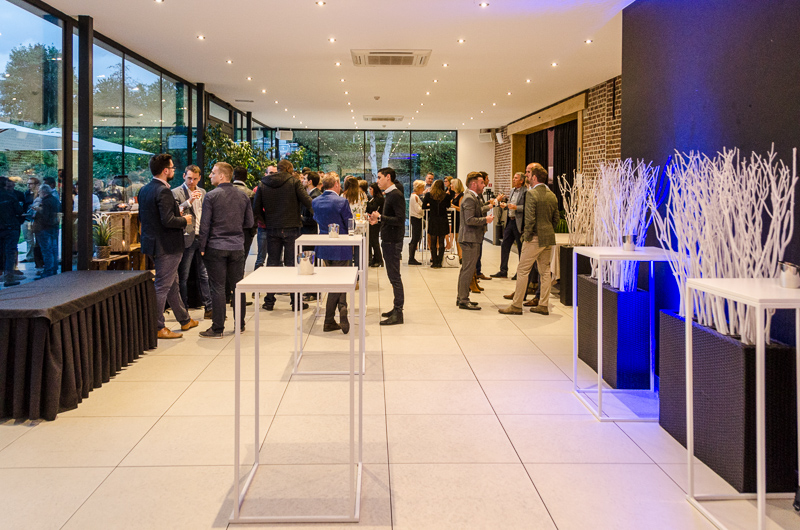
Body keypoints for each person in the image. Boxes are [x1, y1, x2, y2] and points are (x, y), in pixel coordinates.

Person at [138, 153, 198, 339]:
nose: (173, 170)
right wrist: (185, 220)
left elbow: (148, 218)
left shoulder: (145, 189)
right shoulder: (163, 191)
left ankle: (184, 319)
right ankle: (157, 327)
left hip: (152, 244)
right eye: (172, 168)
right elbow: (168, 220)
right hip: (167, 245)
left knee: (172, 284)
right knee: (163, 286)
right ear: (165, 171)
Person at [198, 162, 254, 338]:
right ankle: (240, 324)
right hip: (237, 246)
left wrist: (202, 247)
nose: (210, 175)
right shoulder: (243, 196)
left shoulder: (211, 196)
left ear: (222, 176)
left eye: (213, 173)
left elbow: (205, 225)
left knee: (218, 287)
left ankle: (217, 327)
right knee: (238, 286)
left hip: (216, 246)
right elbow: (249, 222)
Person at [498, 163, 560, 316]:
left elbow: (530, 219)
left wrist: (526, 236)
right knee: (545, 272)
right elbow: (556, 219)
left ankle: (516, 305)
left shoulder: (531, 194)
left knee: (522, 270)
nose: (527, 177)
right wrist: (547, 230)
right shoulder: (552, 195)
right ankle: (543, 305)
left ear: (534, 177)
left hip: (534, 238)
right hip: (548, 238)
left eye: (529, 174)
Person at [252, 159, 313, 311]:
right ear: (289, 169)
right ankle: (295, 301)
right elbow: (308, 202)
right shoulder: (294, 182)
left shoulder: (263, 184)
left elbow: (256, 208)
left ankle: (269, 300)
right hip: (292, 227)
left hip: (272, 228)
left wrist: (266, 221)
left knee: (272, 264)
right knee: (292, 264)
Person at [312, 174, 353, 333]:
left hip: (324, 246)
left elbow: (316, 219)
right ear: (336, 184)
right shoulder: (342, 202)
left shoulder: (316, 201)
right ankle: (330, 318)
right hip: (341, 245)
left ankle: (342, 308)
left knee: (335, 281)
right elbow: (349, 223)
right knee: (339, 282)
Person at [173, 165, 213, 319]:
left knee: (204, 274)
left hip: (201, 237)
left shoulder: (203, 192)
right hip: (186, 237)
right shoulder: (176, 192)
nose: (192, 181)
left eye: (195, 179)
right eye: (189, 178)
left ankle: (209, 308)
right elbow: (176, 211)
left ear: (199, 178)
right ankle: (184, 311)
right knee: (183, 276)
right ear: (184, 176)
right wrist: (189, 200)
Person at [369, 167, 404, 325]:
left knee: (395, 277)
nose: (377, 181)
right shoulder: (390, 194)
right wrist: (378, 219)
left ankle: (398, 311)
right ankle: (396, 308)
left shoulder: (396, 194)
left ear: (388, 177)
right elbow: (390, 217)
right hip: (389, 239)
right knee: (392, 276)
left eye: (379, 177)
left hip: (393, 241)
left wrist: (381, 217)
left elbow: (400, 220)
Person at [456, 172, 495, 310]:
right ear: (474, 184)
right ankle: (463, 300)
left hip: (472, 238)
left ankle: (461, 297)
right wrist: (486, 220)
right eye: (481, 183)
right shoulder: (469, 198)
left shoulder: (473, 196)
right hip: (469, 239)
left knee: (467, 269)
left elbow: (477, 210)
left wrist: (489, 207)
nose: (484, 185)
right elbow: (469, 220)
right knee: (468, 270)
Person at [492, 171, 526, 278]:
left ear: (521, 180)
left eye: (516, 178)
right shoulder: (512, 190)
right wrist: (505, 206)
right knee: (505, 245)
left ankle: (519, 272)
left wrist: (516, 208)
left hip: (519, 223)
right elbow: (511, 205)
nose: (513, 179)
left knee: (520, 248)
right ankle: (503, 271)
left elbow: (528, 207)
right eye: (513, 177)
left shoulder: (526, 192)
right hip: (510, 221)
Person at [421, 180, 452, 268]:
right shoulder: (446, 196)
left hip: (433, 219)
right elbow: (448, 206)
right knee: (441, 241)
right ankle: (439, 262)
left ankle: (434, 261)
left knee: (433, 241)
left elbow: (423, 206)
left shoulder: (429, 195)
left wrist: (430, 205)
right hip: (443, 219)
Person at [32, 184, 60, 279]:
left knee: (47, 250)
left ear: (43, 192)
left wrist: (38, 211)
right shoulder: (55, 200)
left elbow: (45, 216)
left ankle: (48, 271)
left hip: (44, 228)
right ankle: (54, 269)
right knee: (54, 249)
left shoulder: (45, 201)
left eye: (39, 191)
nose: (38, 193)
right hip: (54, 227)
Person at [0, 177, 23, 287]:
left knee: (2, 251)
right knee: (10, 252)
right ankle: (9, 276)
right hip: (11, 227)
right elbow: (19, 211)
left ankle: (3, 273)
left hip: (1, 227)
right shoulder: (10, 196)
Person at [253, 165, 277, 270]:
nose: (273, 176)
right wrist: (263, 221)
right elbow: (256, 208)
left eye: (275, 173)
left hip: (276, 227)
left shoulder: (279, 189)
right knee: (261, 258)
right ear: (265, 174)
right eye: (271, 173)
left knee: (276, 258)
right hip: (263, 226)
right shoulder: (258, 188)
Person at [232, 166, 257, 258]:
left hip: (228, 230)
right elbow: (254, 214)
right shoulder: (250, 193)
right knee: (242, 259)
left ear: (233, 176)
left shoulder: (225, 192)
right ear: (246, 178)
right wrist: (252, 231)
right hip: (245, 231)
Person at [21, 176, 39, 264]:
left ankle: (38, 257)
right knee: (28, 239)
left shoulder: (39, 194)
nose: (29, 185)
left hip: (36, 220)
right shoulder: (26, 194)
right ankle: (30, 257)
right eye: (28, 184)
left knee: (38, 239)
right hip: (27, 218)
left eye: (31, 184)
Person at [366, 182, 384, 267]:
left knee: (374, 241)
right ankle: (375, 258)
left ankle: (379, 260)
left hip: (376, 222)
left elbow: (374, 208)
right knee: (372, 241)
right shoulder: (373, 198)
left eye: (371, 189)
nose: (369, 191)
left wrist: (367, 204)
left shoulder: (379, 198)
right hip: (372, 220)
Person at [408, 180, 425, 265]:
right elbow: (418, 210)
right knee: (415, 238)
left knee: (416, 237)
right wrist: (424, 209)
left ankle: (411, 257)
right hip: (416, 218)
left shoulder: (414, 196)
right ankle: (411, 258)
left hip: (415, 218)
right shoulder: (415, 197)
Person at [450, 178, 465, 263]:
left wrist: (452, 206)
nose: (450, 185)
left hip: (458, 218)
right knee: (456, 237)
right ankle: (459, 255)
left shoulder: (461, 196)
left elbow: (461, 208)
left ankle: (461, 256)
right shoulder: (454, 195)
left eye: (452, 184)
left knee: (459, 238)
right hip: (454, 217)